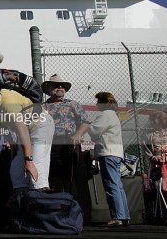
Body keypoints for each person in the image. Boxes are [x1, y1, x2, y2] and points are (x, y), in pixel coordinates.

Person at [42, 74, 92, 221]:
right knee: (54, 179)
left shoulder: (73, 104)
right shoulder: (43, 107)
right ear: (49, 88)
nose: (60, 88)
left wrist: (78, 134)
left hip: (70, 143)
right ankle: (57, 214)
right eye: (57, 86)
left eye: (62, 86)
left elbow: (85, 122)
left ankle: (84, 215)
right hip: (51, 145)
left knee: (77, 179)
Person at [88, 91, 130, 227]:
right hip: (116, 153)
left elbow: (94, 132)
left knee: (111, 184)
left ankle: (117, 216)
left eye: (98, 102)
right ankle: (124, 215)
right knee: (117, 185)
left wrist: (86, 124)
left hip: (108, 152)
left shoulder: (105, 115)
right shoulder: (113, 115)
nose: (96, 104)